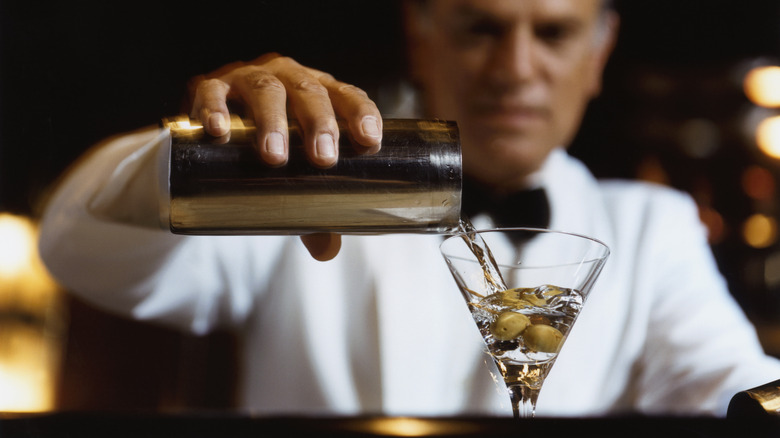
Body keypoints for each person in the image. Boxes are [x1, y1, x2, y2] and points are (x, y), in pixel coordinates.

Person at [39, 0, 780, 417]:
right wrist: (209, 154)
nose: (516, 69)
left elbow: (729, 383)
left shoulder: (653, 225)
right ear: (422, 39)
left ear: (598, 54)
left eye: (552, 33)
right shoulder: (306, 185)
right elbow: (77, 246)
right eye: (481, 29)